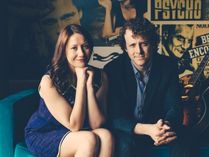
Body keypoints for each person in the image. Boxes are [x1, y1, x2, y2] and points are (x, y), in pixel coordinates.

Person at [104, 17, 190, 157]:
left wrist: (164, 127)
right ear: (125, 48)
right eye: (132, 45)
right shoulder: (113, 70)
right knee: (124, 145)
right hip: (128, 130)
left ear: (153, 43)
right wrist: (147, 129)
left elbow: (173, 108)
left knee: (185, 140)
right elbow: (115, 117)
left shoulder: (168, 66)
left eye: (144, 44)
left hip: (158, 128)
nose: (139, 51)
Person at [25, 24, 114, 157]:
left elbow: (97, 124)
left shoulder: (100, 76)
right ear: (64, 50)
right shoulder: (49, 80)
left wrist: (89, 86)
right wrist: (81, 82)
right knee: (88, 140)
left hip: (77, 133)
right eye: (74, 48)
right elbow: (75, 126)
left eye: (85, 46)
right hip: (45, 132)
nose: (81, 53)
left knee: (106, 136)